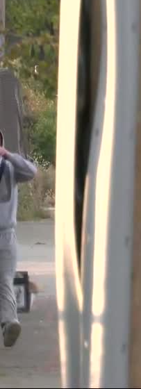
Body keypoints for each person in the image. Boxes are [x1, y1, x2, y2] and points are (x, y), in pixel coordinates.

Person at [0, 129, 37, 348]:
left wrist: (8, 155)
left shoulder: (10, 168)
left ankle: (10, 323)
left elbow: (32, 172)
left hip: (6, 234)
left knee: (5, 280)